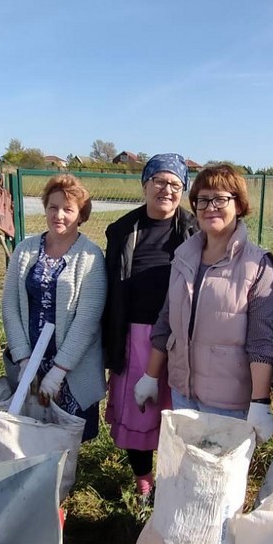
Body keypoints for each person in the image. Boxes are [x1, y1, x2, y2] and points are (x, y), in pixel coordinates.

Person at [135, 165, 273, 441]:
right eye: (203, 199)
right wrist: (151, 376)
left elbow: (262, 340)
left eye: (220, 199)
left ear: (239, 205)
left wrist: (260, 402)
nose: (210, 207)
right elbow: (166, 320)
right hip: (183, 392)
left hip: (228, 403)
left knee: (220, 481)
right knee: (185, 475)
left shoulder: (257, 265)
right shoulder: (183, 257)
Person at [102, 154, 198, 499]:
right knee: (139, 412)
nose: (166, 190)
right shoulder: (122, 231)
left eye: (175, 184)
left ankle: (174, 485)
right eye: (159, 181)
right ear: (145, 184)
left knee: (178, 415)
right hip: (135, 336)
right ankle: (144, 483)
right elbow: (110, 288)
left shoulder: (194, 229)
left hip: (181, 337)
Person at [3, 174, 106, 442]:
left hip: (71, 367)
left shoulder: (90, 256)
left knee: (67, 440)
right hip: (31, 361)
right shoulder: (25, 250)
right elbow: (10, 305)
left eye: (68, 209)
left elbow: (88, 318)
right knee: (27, 436)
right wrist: (24, 360)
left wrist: (58, 372)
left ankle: (64, 482)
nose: (59, 215)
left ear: (81, 215)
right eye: (53, 207)